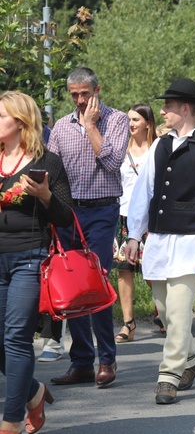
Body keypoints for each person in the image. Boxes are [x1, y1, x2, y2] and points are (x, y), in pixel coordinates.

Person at [125, 78, 195, 404]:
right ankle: (193, 359)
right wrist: (133, 234)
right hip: (159, 238)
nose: (163, 111)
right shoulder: (160, 145)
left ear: (184, 109)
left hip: (190, 240)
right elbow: (143, 191)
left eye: (168, 106)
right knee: (165, 312)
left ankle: (169, 375)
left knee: (180, 311)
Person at [48, 66, 129, 388]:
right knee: (72, 286)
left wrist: (92, 126)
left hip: (101, 211)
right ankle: (81, 362)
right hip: (68, 213)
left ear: (97, 90)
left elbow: (111, 162)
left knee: (94, 282)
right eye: (75, 95)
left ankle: (106, 360)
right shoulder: (60, 127)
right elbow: (52, 170)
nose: (80, 100)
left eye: (85, 93)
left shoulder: (117, 120)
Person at [0, 91, 74, 434]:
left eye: (1, 116)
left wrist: (43, 195)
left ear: (21, 121)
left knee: (15, 338)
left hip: (30, 257)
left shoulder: (48, 162)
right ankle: (34, 392)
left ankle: (12, 420)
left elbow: (65, 217)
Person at [113, 103, 157, 342]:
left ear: (148, 123)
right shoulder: (121, 149)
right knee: (124, 270)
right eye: (129, 119)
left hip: (151, 218)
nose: (131, 124)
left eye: (136, 120)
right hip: (123, 216)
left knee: (152, 271)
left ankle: (165, 311)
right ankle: (128, 323)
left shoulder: (157, 149)